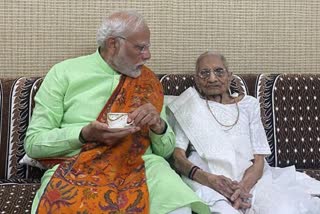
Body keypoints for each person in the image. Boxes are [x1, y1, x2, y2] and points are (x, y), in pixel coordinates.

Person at [25, 11, 210, 214]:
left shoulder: (148, 81)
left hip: (144, 166)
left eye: (148, 47)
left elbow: (165, 152)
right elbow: (34, 144)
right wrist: (83, 134)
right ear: (113, 44)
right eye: (140, 47)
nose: (148, 55)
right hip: (78, 168)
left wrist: (159, 126)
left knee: (178, 207)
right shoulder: (64, 73)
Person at [168, 51, 320, 214]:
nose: (212, 78)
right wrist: (209, 180)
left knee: (284, 209)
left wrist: (241, 189)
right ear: (197, 80)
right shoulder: (189, 107)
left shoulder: (249, 104)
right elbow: (178, 157)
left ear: (230, 76)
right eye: (204, 73)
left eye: (219, 71)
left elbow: (259, 159)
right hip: (207, 178)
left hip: (251, 177)